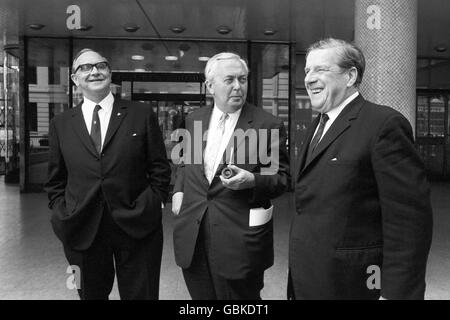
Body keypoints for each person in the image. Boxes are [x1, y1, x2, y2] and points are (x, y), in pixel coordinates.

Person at [289, 38, 433, 300]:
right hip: (309, 280)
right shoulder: (317, 126)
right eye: (307, 70)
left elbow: (409, 223)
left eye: (320, 69)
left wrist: (395, 294)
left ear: (350, 76)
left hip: (354, 285)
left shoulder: (384, 125)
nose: (309, 78)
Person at [44, 48, 171, 300]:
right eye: (85, 68)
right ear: (74, 79)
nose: (94, 71)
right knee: (89, 295)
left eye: (101, 65)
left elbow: (159, 167)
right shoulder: (61, 123)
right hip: (81, 229)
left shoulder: (140, 114)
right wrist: (62, 212)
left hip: (137, 225)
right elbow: (55, 178)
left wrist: (155, 202)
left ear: (109, 73)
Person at [171, 52, 290, 299]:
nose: (238, 86)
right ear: (210, 86)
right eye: (230, 80)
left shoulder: (266, 125)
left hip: (240, 242)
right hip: (194, 236)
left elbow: (282, 178)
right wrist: (179, 189)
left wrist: (252, 180)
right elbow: (187, 164)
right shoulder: (195, 119)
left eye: (243, 79)